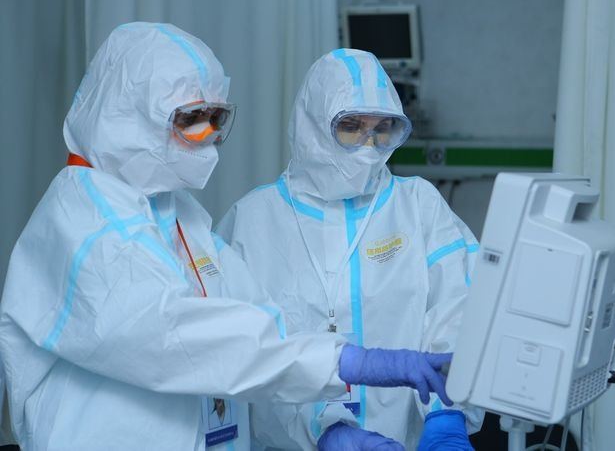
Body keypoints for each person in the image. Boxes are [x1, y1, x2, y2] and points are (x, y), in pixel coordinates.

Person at [0, 24, 452, 451]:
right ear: (128, 115)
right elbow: (176, 335)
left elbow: (263, 321)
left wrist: (324, 425)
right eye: (191, 119)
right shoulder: (81, 221)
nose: (209, 136)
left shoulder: (177, 214)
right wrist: (346, 361)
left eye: (216, 118)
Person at [217, 48, 482, 450]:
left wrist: (448, 412)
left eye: (382, 129)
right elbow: (237, 353)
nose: (368, 146)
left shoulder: (417, 206)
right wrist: (319, 430)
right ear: (312, 124)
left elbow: (461, 309)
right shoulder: (253, 221)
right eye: (351, 127)